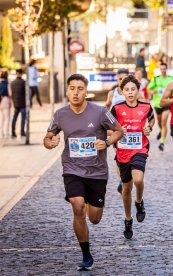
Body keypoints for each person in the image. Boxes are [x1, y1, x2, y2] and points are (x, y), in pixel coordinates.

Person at [43, 73, 124, 271]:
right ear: (67, 91)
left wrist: (105, 142)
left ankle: (89, 203)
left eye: (80, 89)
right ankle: (86, 254)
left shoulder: (99, 112)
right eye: (72, 88)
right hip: (72, 169)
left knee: (94, 219)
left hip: (96, 172)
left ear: (86, 92)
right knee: (77, 205)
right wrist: (50, 143)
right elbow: (48, 137)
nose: (76, 92)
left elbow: (120, 131)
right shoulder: (60, 114)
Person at [110, 75, 155, 239]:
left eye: (133, 89)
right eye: (127, 90)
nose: (130, 92)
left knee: (138, 180)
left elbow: (151, 119)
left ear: (138, 91)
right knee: (126, 188)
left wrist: (149, 128)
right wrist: (118, 132)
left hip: (140, 149)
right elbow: (107, 128)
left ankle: (139, 202)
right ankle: (128, 218)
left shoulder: (146, 106)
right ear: (122, 91)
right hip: (122, 153)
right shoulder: (116, 108)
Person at [105, 68, 129, 193]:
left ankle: (126, 176)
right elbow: (107, 107)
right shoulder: (112, 93)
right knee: (119, 155)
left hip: (130, 127)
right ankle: (122, 180)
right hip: (117, 128)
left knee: (129, 154)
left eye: (125, 79)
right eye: (120, 79)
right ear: (117, 79)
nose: (122, 81)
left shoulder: (132, 92)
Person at [147, 62, 173, 151]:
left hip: (167, 103)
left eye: (164, 69)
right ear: (160, 69)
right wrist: (152, 92)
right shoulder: (155, 79)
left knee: (163, 122)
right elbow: (148, 89)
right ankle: (161, 131)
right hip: (157, 104)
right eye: (161, 69)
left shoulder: (171, 79)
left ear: (167, 69)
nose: (163, 70)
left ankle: (162, 142)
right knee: (159, 122)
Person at [11, 69, 26, 138]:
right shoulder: (23, 82)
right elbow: (26, 93)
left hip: (15, 103)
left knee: (14, 118)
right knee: (23, 118)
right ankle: (22, 132)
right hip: (23, 103)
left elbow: (12, 94)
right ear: (21, 74)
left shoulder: (12, 82)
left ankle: (13, 132)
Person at [0, 71, 12, 139]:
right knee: (7, 118)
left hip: (0, 101)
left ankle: (1, 133)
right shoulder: (7, 83)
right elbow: (10, 94)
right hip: (5, 101)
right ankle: (6, 133)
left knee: (1, 118)